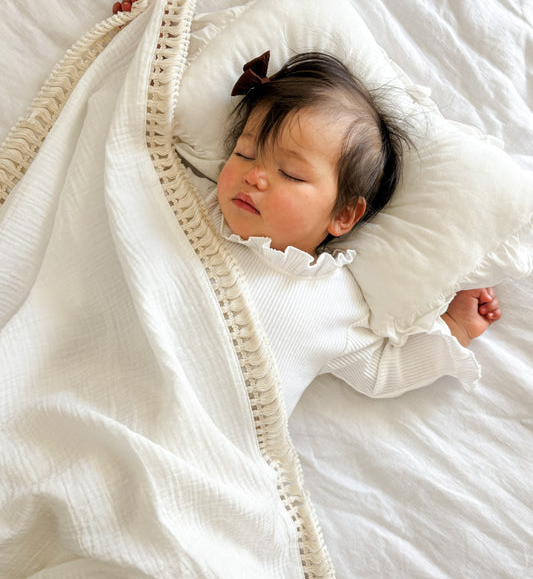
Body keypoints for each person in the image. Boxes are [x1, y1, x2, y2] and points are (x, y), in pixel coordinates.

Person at [202, 50, 501, 415]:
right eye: (245, 154)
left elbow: (383, 370)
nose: (253, 176)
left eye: (291, 174)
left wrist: (457, 327)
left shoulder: (334, 299)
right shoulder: (191, 206)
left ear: (343, 214)